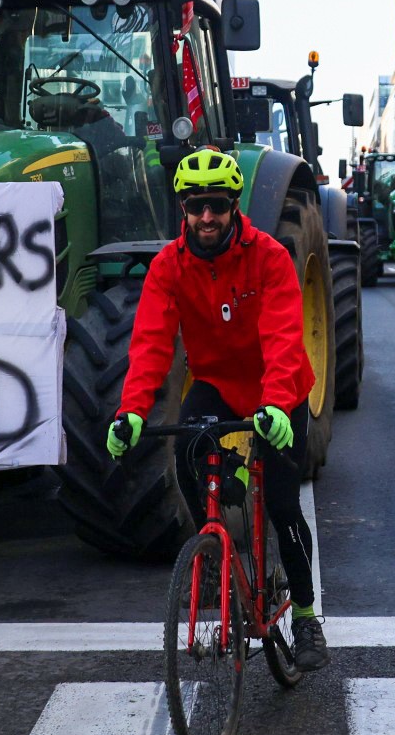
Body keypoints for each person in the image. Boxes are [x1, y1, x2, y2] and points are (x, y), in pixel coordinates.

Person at [105, 148, 329, 670]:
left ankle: (304, 615)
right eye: (196, 206)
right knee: (185, 449)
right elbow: (151, 345)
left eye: (217, 205)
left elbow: (281, 336)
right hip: (218, 385)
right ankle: (215, 549)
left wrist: (275, 404)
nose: (207, 217)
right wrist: (131, 411)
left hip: (281, 388)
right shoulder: (168, 267)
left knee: (280, 501)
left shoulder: (269, 256)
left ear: (234, 206)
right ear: (183, 209)